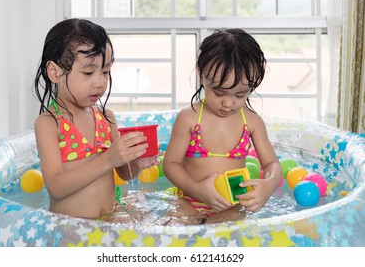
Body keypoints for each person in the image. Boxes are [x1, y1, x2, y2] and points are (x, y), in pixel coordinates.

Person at [34, 19, 158, 220]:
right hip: (73, 229)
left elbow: (123, 173)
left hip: (109, 221)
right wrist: (108, 158)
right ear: (55, 72)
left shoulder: (106, 117)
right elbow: (56, 186)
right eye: (88, 72)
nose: (100, 82)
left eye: (106, 71)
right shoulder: (49, 123)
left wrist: (136, 162)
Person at [163, 28, 282, 223]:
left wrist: (268, 186)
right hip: (188, 200)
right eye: (219, 93)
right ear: (202, 76)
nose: (228, 103)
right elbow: (170, 164)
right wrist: (197, 190)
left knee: (225, 240)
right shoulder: (189, 119)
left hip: (230, 205)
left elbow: (272, 164)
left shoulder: (251, 122)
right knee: (175, 234)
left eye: (240, 95)